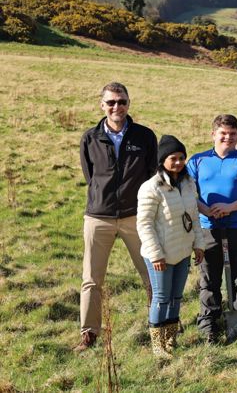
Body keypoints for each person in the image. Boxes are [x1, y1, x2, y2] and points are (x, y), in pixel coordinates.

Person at [76, 82, 157, 352]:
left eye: (121, 102)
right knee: (91, 279)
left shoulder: (144, 136)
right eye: (111, 102)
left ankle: (161, 325)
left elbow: (151, 177)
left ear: (128, 103)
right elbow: (91, 177)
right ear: (102, 105)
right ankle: (89, 333)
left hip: (136, 217)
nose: (116, 107)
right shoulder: (90, 138)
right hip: (98, 217)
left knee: (152, 274)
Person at [187, 114, 237, 343]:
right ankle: (208, 324)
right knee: (209, 279)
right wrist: (206, 210)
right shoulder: (197, 161)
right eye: (223, 133)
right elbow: (187, 193)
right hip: (208, 229)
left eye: (232, 134)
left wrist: (231, 207)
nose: (228, 138)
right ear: (213, 134)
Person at [136, 135, 206, 358]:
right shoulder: (151, 188)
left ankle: (171, 340)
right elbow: (144, 224)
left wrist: (199, 244)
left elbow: (194, 217)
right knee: (161, 297)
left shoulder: (187, 184)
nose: (178, 162)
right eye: (173, 158)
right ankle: (158, 347)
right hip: (161, 255)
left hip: (183, 251)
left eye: (182, 158)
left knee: (176, 297)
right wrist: (156, 255)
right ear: (162, 160)